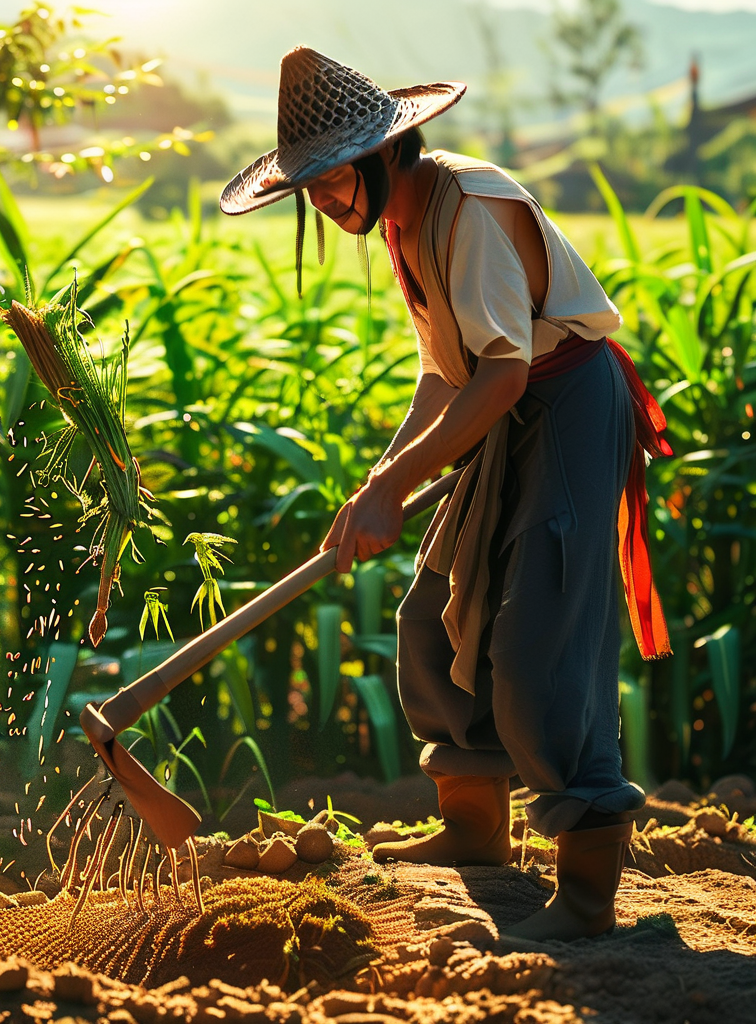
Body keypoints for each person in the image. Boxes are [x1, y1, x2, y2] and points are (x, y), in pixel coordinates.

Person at [219, 47, 672, 941]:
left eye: (330, 179)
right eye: (306, 188)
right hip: (506, 403)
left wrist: (393, 486)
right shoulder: (403, 221)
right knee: (432, 617)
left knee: (539, 648)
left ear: (388, 154)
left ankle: (586, 886)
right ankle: (473, 832)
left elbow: (500, 376)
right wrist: (374, 487)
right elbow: (445, 376)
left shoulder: (468, 209)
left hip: (570, 403)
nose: (321, 200)